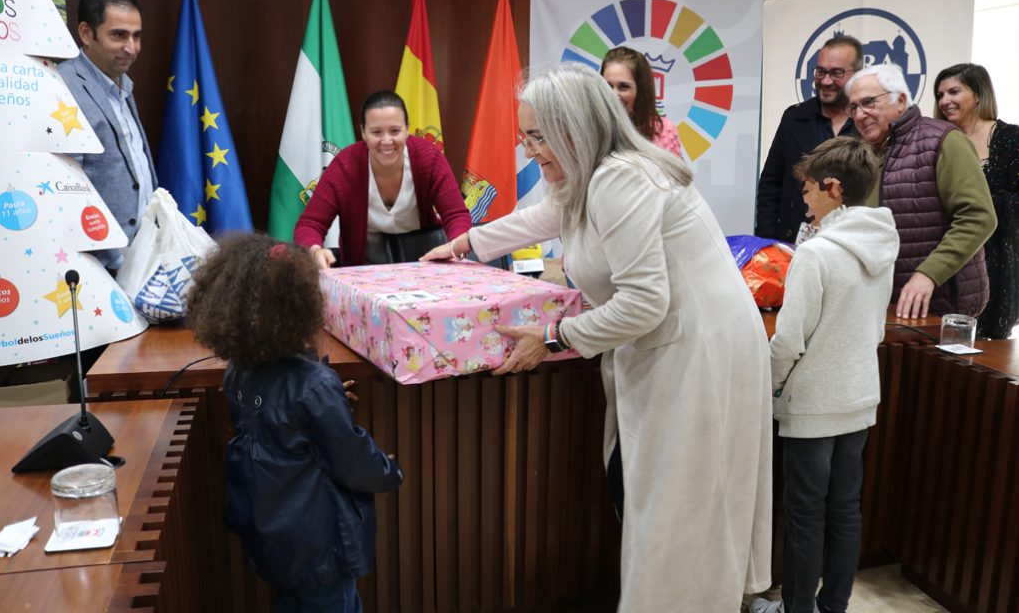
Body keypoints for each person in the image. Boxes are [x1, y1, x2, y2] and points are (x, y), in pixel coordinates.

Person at [422, 64, 772, 611]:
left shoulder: (620, 179)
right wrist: (464, 245)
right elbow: (540, 218)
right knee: (653, 498)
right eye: (525, 136)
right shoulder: (586, 175)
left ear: (575, 129)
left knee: (679, 507)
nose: (529, 150)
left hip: (698, 351)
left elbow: (644, 302)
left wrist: (552, 336)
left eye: (537, 137)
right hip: (674, 344)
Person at [186, 232, 403, 613]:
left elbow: (277, 417)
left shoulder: (237, 372)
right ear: (302, 308)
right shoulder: (313, 387)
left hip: (271, 536)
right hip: (320, 546)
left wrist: (322, 397)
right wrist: (388, 471)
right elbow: (351, 460)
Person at [750, 137, 898, 613]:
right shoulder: (883, 243)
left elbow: (789, 341)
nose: (805, 202)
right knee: (846, 509)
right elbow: (875, 327)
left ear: (832, 188)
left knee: (805, 513)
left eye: (809, 190)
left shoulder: (816, 253)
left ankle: (796, 609)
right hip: (860, 395)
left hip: (813, 402)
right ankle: (833, 607)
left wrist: (770, 386)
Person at [845, 63, 996, 319]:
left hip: (940, 304)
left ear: (901, 100)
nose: (860, 115)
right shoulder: (859, 154)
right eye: (853, 107)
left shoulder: (943, 140)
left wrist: (929, 274)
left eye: (869, 102)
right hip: (880, 305)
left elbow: (979, 217)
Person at [293, 90, 471, 268]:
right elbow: (310, 224)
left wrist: (457, 245)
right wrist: (315, 251)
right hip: (362, 269)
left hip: (425, 265)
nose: (386, 141)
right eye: (376, 132)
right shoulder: (344, 166)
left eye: (395, 131)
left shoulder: (428, 158)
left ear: (407, 129)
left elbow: (456, 215)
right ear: (363, 132)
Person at [57, 0, 156, 271]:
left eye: (136, 36)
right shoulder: (63, 88)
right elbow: (68, 192)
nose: (131, 48)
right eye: (119, 35)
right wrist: (111, 260)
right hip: (100, 267)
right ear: (86, 33)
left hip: (140, 260)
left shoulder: (121, 84)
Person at [934, 63, 1019, 338]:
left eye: (953, 92)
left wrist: (974, 205)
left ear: (979, 95)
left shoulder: (1011, 138)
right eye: (940, 95)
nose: (944, 101)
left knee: (986, 349)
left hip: (998, 261)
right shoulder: (938, 140)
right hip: (949, 257)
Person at [756, 35, 862, 243]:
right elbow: (770, 185)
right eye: (820, 71)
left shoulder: (868, 123)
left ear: (856, 75)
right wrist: (767, 244)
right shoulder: (794, 118)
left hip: (851, 243)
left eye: (836, 73)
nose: (826, 81)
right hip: (794, 244)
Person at [599, 46, 682, 155]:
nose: (613, 95)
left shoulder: (664, 132)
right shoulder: (591, 129)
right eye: (607, 86)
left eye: (623, 87)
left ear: (641, 91)